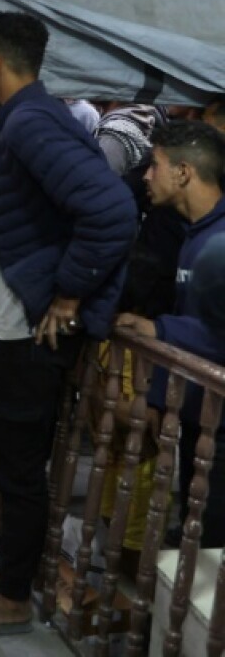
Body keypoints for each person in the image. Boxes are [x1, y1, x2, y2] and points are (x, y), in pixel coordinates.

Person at [0, 12, 135, 637]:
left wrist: (70, 295)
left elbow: (111, 211)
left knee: (20, 467)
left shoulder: (30, 122)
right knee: (13, 462)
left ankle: (15, 598)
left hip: (33, 328)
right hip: (16, 318)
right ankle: (5, 572)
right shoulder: (29, 118)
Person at [116, 120, 225, 545]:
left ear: (184, 172)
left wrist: (157, 327)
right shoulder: (196, 235)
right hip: (202, 417)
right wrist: (161, 400)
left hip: (220, 425)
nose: (146, 175)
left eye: (155, 165)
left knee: (213, 542)